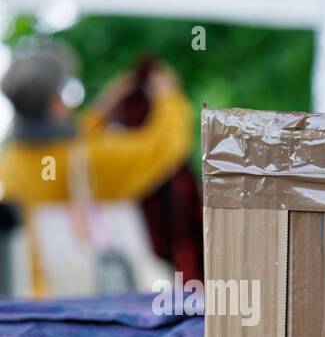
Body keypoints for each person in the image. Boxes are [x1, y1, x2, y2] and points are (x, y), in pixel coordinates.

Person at [0, 44, 194, 295]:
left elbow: (64, 140)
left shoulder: (11, 159)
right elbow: (165, 147)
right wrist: (167, 95)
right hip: (83, 303)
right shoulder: (93, 161)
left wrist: (103, 108)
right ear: (55, 101)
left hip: (29, 298)